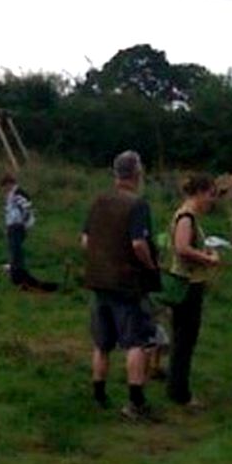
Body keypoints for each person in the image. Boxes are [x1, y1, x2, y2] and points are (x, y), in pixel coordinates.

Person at [81, 150, 162, 422]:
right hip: (127, 283)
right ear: (137, 174)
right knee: (135, 342)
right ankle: (135, 403)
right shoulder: (137, 204)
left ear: (115, 173)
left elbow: (85, 240)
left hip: (97, 280)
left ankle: (98, 395)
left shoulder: (98, 201)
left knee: (101, 343)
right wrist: (151, 266)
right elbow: (138, 244)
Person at [166, 174, 223, 406]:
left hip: (188, 282)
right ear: (199, 192)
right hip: (187, 285)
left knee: (182, 339)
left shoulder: (188, 216)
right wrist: (207, 258)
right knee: (184, 340)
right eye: (210, 194)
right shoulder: (187, 217)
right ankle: (180, 393)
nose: (211, 200)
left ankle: (176, 387)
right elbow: (182, 248)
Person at [0, 173, 56, 292]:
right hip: (13, 226)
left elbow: (26, 209)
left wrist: (23, 223)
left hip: (17, 226)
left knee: (16, 252)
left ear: (9, 184)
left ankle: (19, 277)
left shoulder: (18, 194)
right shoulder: (12, 195)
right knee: (14, 252)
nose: (4, 189)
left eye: (4, 186)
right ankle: (17, 277)